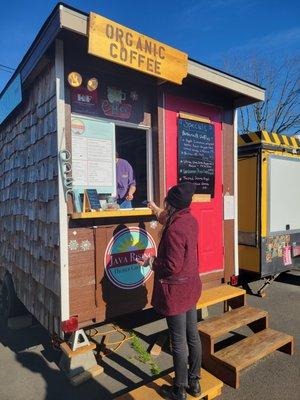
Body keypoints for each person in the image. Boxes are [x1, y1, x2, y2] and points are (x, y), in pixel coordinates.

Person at [137, 182, 202, 400]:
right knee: (193, 336)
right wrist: (155, 209)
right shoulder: (188, 220)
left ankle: (179, 390)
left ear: (172, 204)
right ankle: (194, 383)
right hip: (191, 288)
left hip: (176, 291)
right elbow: (168, 218)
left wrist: (151, 260)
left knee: (179, 341)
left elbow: (171, 266)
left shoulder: (174, 228)